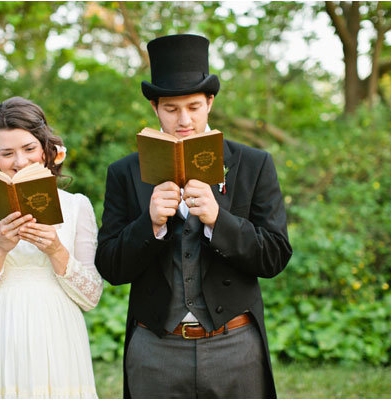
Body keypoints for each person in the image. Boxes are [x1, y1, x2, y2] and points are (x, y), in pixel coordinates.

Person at [95, 34, 292, 398]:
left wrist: (220, 220)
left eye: (194, 106)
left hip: (234, 344)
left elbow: (275, 256)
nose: (184, 119)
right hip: (155, 348)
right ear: (155, 107)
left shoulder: (253, 164)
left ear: (210, 103)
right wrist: (149, 225)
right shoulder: (124, 172)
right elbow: (110, 267)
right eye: (171, 109)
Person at [0, 96, 103, 398]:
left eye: (29, 149)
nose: (20, 162)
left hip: (58, 336)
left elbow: (91, 296)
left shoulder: (77, 207)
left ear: (47, 150)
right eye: (7, 153)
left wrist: (56, 250)